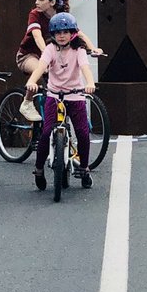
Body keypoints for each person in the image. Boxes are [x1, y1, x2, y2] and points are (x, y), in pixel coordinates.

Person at [25, 13, 95, 190]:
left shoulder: (78, 50)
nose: (61, 36)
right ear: (52, 35)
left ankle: (84, 168)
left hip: (75, 95)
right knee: (47, 131)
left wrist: (90, 83)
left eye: (65, 32)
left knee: (82, 132)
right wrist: (32, 81)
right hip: (54, 95)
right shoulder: (50, 49)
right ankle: (39, 169)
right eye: (57, 33)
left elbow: (85, 67)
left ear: (72, 33)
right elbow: (41, 66)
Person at [14, 0, 97, 122]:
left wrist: (93, 48)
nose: (36, 3)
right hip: (28, 55)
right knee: (42, 71)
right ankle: (27, 102)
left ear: (52, 2)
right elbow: (37, 36)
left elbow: (78, 33)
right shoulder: (35, 14)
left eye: (41, 0)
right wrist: (46, 52)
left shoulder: (61, 15)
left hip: (51, 56)